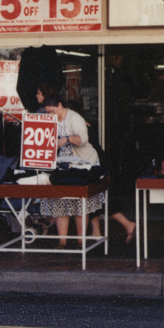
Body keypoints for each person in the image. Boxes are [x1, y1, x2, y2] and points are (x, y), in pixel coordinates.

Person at [40, 96, 105, 248]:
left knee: (80, 204)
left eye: (52, 111)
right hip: (62, 166)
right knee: (60, 201)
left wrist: (66, 139)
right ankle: (62, 241)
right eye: (48, 112)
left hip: (81, 165)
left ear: (60, 105)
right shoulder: (49, 119)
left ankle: (81, 240)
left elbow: (82, 139)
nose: (50, 115)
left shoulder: (75, 118)